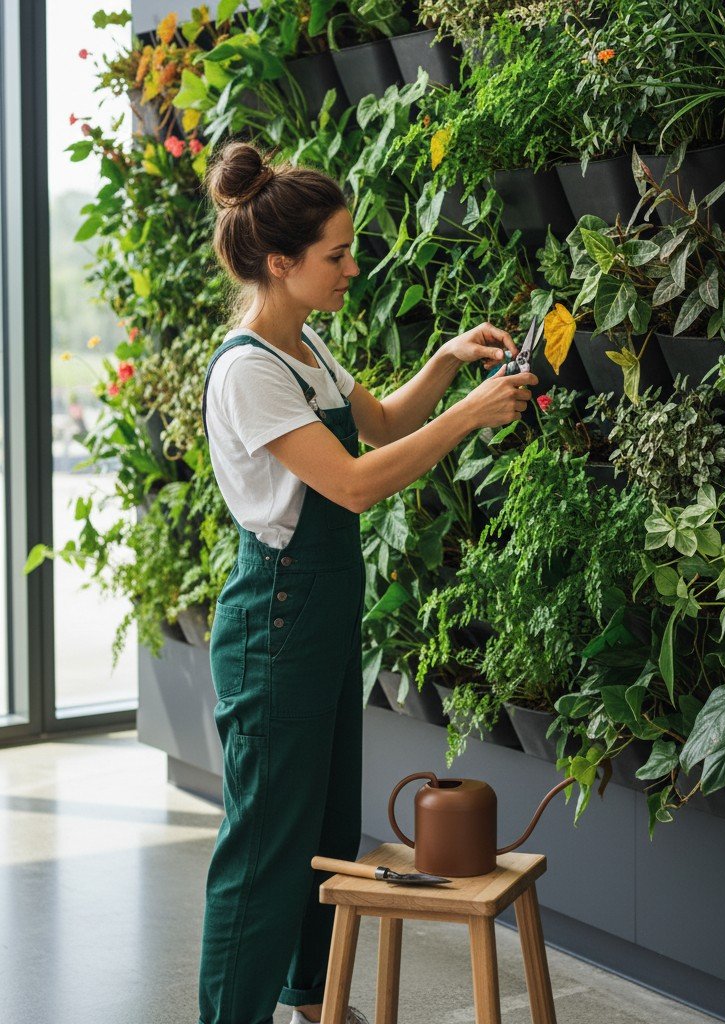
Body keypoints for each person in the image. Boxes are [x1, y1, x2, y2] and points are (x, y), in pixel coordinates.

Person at [197, 140, 537, 1024]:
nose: (354, 268)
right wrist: (470, 418)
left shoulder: (302, 344)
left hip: (313, 618)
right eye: (336, 255)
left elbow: (380, 421)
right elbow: (352, 481)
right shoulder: (247, 372)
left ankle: (311, 1000)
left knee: (322, 830)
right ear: (280, 263)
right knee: (265, 845)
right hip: (275, 620)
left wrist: (450, 362)